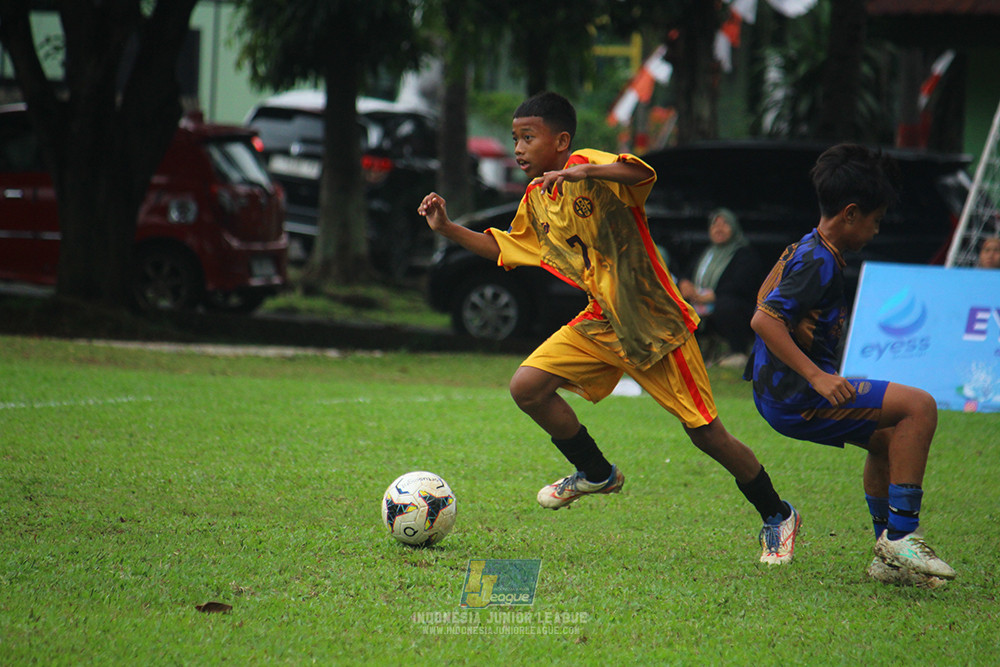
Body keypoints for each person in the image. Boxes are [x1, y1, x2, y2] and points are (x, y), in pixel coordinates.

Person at [418, 91, 800, 565]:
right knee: (528, 387)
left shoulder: (586, 164)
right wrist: (449, 227)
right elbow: (505, 249)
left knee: (706, 435)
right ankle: (595, 472)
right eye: (515, 139)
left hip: (655, 325)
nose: (518, 148)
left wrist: (588, 171)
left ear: (560, 142)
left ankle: (778, 514)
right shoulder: (538, 196)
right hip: (603, 320)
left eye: (528, 138)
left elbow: (641, 174)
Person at [744, 143, 956, 587]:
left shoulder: (810, 248)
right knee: (920, 407)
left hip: (782, 394)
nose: (877, 231)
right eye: (876, 221)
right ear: (851, 213)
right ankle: (901, 537)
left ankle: (888, 560)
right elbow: (764, 320)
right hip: (796, 396)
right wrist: (817, 376)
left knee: (886, 440)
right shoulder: (816, 261)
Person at [678, 208, 762, 366]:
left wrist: (713, 295)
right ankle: (691, 352)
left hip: (732, 305)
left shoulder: (744, 254)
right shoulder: (707, 253)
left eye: (725, 224)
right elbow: (686, 274)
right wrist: (684, 283)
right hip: (700, 301)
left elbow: (742, 285)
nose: (719, 228)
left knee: (727, 306)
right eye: (715, 224)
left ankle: (737, 351)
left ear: (734, 227)